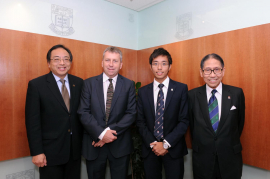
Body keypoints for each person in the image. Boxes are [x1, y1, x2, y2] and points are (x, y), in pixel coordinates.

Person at [25, 44, 84, 179]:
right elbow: (32, 122)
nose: (62, 63)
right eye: (56, 59)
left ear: (70, 62)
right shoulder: (37, 85)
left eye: (66, 59)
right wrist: (37, 152)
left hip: (74, 152)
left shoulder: (79, 83)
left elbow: (82, 115)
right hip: (49, 153)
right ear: (48, 63)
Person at [78, 46, 136, 179]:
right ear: (102, 62)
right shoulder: (89, 84)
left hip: (120, 145)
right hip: (94, 145)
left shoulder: (128, 85)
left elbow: (131, 113)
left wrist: (107, 134)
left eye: (115, 61)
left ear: (121, 64)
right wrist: (101, 134)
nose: (111, 64)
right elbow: (83, 112)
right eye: (107, 60)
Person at [188, 53, 245, 179]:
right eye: (208, 70)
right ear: (201, 72)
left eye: (217, 70)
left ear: (223, 71)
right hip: (202, 160)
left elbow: (239, 124)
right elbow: (192, 127)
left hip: (230, 159)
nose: (213, 75)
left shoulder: (237, 93)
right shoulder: (192, 96)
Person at [136, 48, 189, 179]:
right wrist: (154, 144)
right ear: (150, 66)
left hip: (174, 149)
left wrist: (165, 144)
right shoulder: (143, 92)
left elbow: (184, 120)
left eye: (164, 63)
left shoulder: (181, 89)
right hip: (150, 149)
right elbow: (140, 121)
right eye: (155, 63)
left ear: (170, 66)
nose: (159, 67)